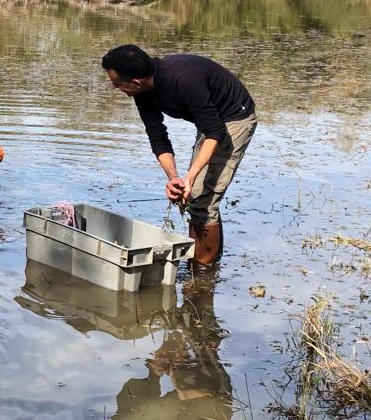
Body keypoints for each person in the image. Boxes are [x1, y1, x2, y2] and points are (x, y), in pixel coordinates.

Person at [102, 44, 256, 265]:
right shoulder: (142, 91)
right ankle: (207, 263)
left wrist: (190, 178)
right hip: (211, 122)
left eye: (117, 84)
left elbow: (215, 132)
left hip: (234, 117)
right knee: (196, 195)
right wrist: (174, 177)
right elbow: (157, 136)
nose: (115, 88)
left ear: (135, 81)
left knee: (202, 198)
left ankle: (202, 271)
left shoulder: (184, 79)